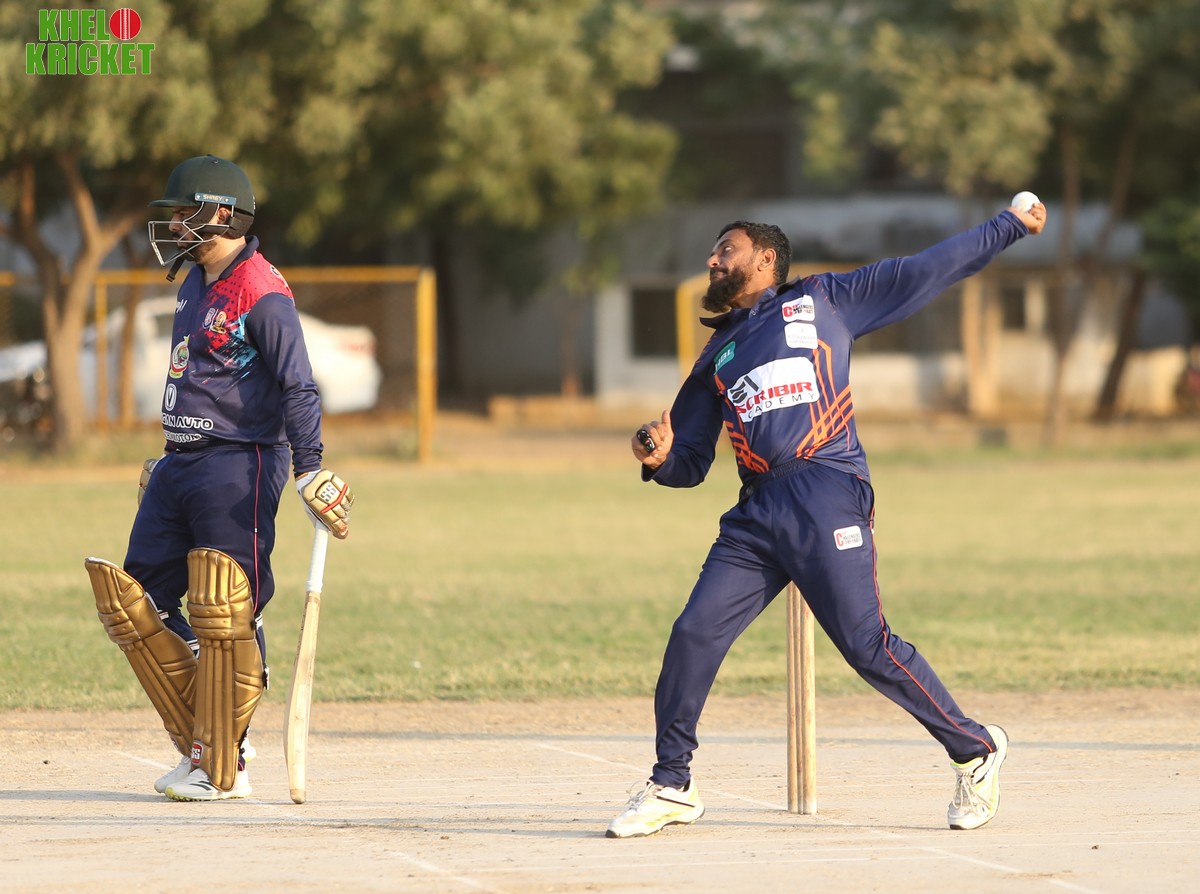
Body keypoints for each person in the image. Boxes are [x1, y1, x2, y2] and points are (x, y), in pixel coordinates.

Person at [607, 199, 1047, 838]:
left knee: (866, 646)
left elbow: (928, 268)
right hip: (757, 512)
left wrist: (1008, 226)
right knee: (693, 633)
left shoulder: (825, 299)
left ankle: (975, 748)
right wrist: (657, 456)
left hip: (826, 489)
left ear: (765, 258)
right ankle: (672, 783)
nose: (711, 260)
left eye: (725, 249)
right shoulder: (715, 355)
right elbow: (690, 463)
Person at [85, 155, 354, 802]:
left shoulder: (260, 290)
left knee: (224, 606)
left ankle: (222, 757)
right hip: (182, 462)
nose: (175, 224)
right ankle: (216, 726)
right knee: (136, 603)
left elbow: (297, 383)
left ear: (223, 214)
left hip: (241, 463)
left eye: (186, 212)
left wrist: (310, 469)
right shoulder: (192, 280)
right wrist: (171, 451)